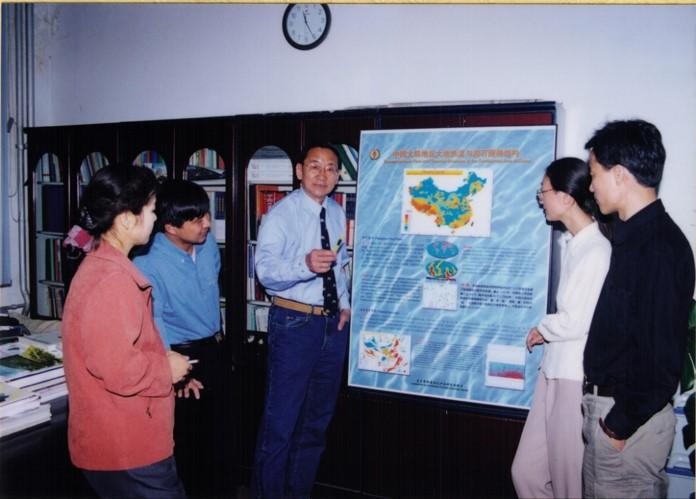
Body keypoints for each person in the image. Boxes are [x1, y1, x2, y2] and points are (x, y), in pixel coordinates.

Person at [61, 165, 192, 499]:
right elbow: (118, 369)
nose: (155, 217)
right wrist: (166, 369)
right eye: (151, 209)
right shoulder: (112, 280)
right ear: (126, 219)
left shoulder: (103, 266)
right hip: (127, 449)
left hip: (120, 444)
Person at [582, 119, 695, 498]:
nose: (591, 185)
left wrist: (617, 426)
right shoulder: (633, 237)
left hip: (628, 427)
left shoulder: (660, 247)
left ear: (619, 174)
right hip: (615, 417)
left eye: (594, 174)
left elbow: (661, 361)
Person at [251, 144, 351, 499]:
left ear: (338, 175)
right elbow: (265, 272)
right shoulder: (280, 214)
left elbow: (339, 266)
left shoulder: (336, 212)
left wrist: (345, 304)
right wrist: (304, 265)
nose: (323, 175)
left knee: (315, 425)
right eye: (315, 166)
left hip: (332, 326)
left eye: (331, 168)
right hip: (294, 323)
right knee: (280, 425)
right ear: (299, 171)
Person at [511, 157, 611, 498]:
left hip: (573, 377)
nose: (540, 199)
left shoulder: (596, 249)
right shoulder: (574, 243)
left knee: (568, 481)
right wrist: (548, 330)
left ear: (566, 197)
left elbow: (576, 320)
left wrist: (544, 326)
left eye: (544, 191)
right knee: (526, 472)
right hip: (552, 371)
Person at [133, 179, 227, 497]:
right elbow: (153, 321)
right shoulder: (147, 262)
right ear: (171, 227)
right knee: (191, 449)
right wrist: (175, 372)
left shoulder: (207, 245)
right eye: (197, 219)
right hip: (180, 357)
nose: (207, 224)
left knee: (220, 443)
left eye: (206, 215)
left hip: (215, 349)